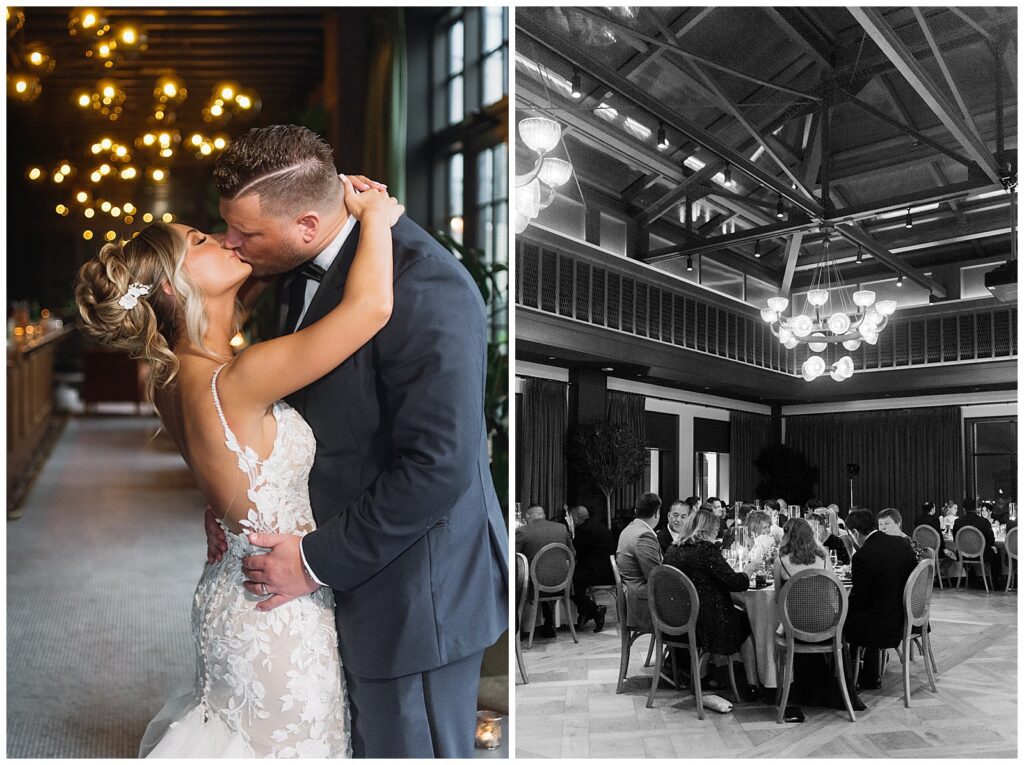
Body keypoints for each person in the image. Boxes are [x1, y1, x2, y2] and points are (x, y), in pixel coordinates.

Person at [199, 125, 507, 758]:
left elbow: (439, 466)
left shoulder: (426, 286)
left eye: (246, 233)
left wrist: (315, 560)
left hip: (415, 595)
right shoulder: (292, 266)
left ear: (308, 225)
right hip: (345, 578)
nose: (232, 244)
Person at [75, 163, 402, 756]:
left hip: (233, 590)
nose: (223, 238)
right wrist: (377, 218)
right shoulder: (239, 377)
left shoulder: (171, 377)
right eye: (200, 240)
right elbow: (371, 309)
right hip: (276, 612)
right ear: (174, 288)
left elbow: (225, 470)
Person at [664, 510, 759, 698]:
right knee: (745, 623)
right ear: (706, 530)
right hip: (705, 623)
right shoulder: (706, 550)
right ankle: (752, 683)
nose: (717, 533)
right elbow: (736, 583)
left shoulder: (673, 549)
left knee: (729, 613)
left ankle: (705, 672)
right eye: (715, 530)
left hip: (674, 620)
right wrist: (748, 570)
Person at [774, 519, 864, 712]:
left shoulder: (781, 560)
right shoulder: (823, 558)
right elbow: (832, 593)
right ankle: (834, 689)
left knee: (773, 631)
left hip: (795, 626)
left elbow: (778, 599)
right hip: (826, 626)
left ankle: (783, 688)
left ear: (787, 536)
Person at [843, 509, 918, 690]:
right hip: (907, 615)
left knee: (842, 620)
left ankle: (849, 678)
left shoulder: (862, 556)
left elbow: (859, 599)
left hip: (884, 625)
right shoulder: (903, 544)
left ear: (854, 533)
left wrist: (839, 608)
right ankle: (869, 674)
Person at [516, 504, 574, 638]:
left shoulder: (522, 531)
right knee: (542, 572)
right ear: (543, 515)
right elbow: (572, 553)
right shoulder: (561, 528)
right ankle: (549, 622)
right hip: (563, 582)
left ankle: (521, 630)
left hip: (535, 586)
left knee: (518, 579)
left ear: (528, 516)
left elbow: (515, 557)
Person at [615, 493, 663, 631]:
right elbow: (655, 576)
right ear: (656, 514)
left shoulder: (629, 529)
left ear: (636, 511)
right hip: (643, 603)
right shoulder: (644, 535)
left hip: (632, 595)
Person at [569, 506, 615, 632]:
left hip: (595, 573)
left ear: (576, 519)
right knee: (576, 580)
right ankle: (585, 613)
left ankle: (594, 611)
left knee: (569, 584)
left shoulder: (582, 530)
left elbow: (575, 552)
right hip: (609, 570)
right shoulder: (601, 525)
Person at [952, 497, 1000, 586]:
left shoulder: (958, 522)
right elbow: (991, 539)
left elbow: (956, 540)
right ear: (975, 508)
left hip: (963, 554)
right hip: (982, 554)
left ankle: (972, 579)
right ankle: (995, 582)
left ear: (963, 509)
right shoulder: (983, 522)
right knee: (997, 552)